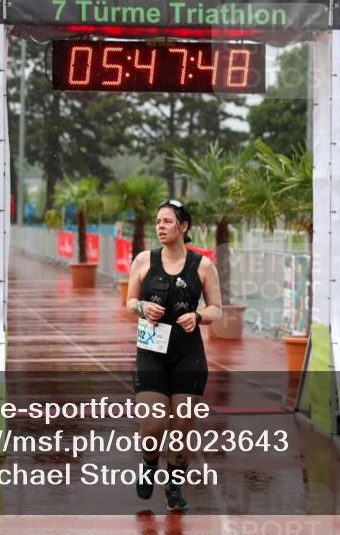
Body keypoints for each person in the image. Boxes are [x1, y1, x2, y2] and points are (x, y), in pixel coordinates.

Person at [125, 199, 223, 512]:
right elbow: (128, 302)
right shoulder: (143, 260)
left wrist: (199, 317)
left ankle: (174, 485)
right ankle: (148, 463)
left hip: (188, 356)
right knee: (153, 426)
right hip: (151, 353)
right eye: (158, 221)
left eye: (167, 221)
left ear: (183, 227)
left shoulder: (203, 265)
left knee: (181, 428)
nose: (160, 227)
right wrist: (142, 307)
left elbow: (217, 309)